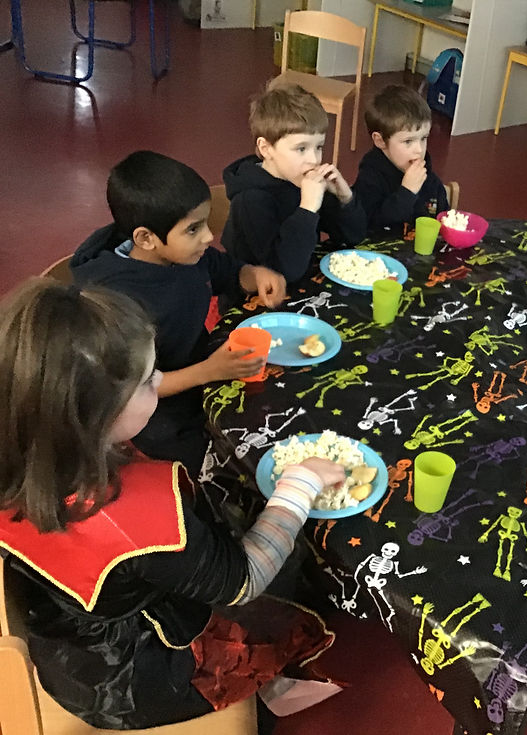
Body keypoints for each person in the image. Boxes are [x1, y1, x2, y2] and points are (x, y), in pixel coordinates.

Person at [0, 280, 346, 732]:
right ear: (97, 416)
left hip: (65, 636)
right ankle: (265, 699)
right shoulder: (133, 517)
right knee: (285, 581)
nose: (161, 381)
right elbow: (245, 580)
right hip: (128, 677)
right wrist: (300, 485)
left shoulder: (29, 450)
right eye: (148, 380)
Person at [70, 151, 287, 477]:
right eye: (193, 229)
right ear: (146, 238)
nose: (208, 237)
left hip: (205, 371)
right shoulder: (114, 302)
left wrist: (255, 275)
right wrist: (209, 371)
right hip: (157, 411)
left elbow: (227, 271)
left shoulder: (186, 256)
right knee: (224, 470)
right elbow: (129, 388)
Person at [222, 81, 367, 282]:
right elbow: (283, 272)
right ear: (266, 149)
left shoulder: (301, 180)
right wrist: (307, 209)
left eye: (319, 147)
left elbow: (353, 237)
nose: (314, 159)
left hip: (302, 281)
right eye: (301, 149)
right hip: (256, 295)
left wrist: (345, 199)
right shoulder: (250, 200)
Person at [353, 84, 449, 231]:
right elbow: (367, 226)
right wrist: (407, 193)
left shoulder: (430, 180)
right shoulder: (370, 179)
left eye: (423, 138)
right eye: (408, 141)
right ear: (380, 141)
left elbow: (443, 221)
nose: (419, 150)